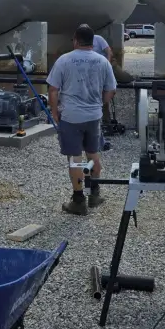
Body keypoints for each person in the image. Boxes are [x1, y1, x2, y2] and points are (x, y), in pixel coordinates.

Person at [46, 23, 117, 215]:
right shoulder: (102, 61)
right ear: (92, 42)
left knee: (75, 158)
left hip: (71, 116)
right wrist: (100, 104)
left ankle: (79, 200)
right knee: (93, 153)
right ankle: (94, 193)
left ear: (76, 40)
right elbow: (111, 88)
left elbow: (53, 89)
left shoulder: (64, 60)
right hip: (93, 116)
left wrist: (54, 112)